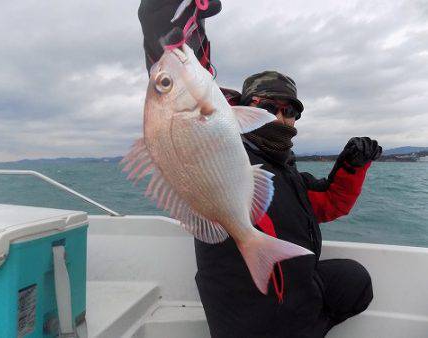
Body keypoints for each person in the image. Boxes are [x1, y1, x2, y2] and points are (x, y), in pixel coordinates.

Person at [138, 1, 382, 337]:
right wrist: (168, 28)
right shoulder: (223, 141)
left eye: (290, 111)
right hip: (251, 319)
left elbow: (330, 202)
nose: (282, 117)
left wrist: (353, 167)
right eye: (270, 107)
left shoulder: (286, 171)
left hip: (298, 299)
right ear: (242, 108)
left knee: (356, 283)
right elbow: (179, 79)